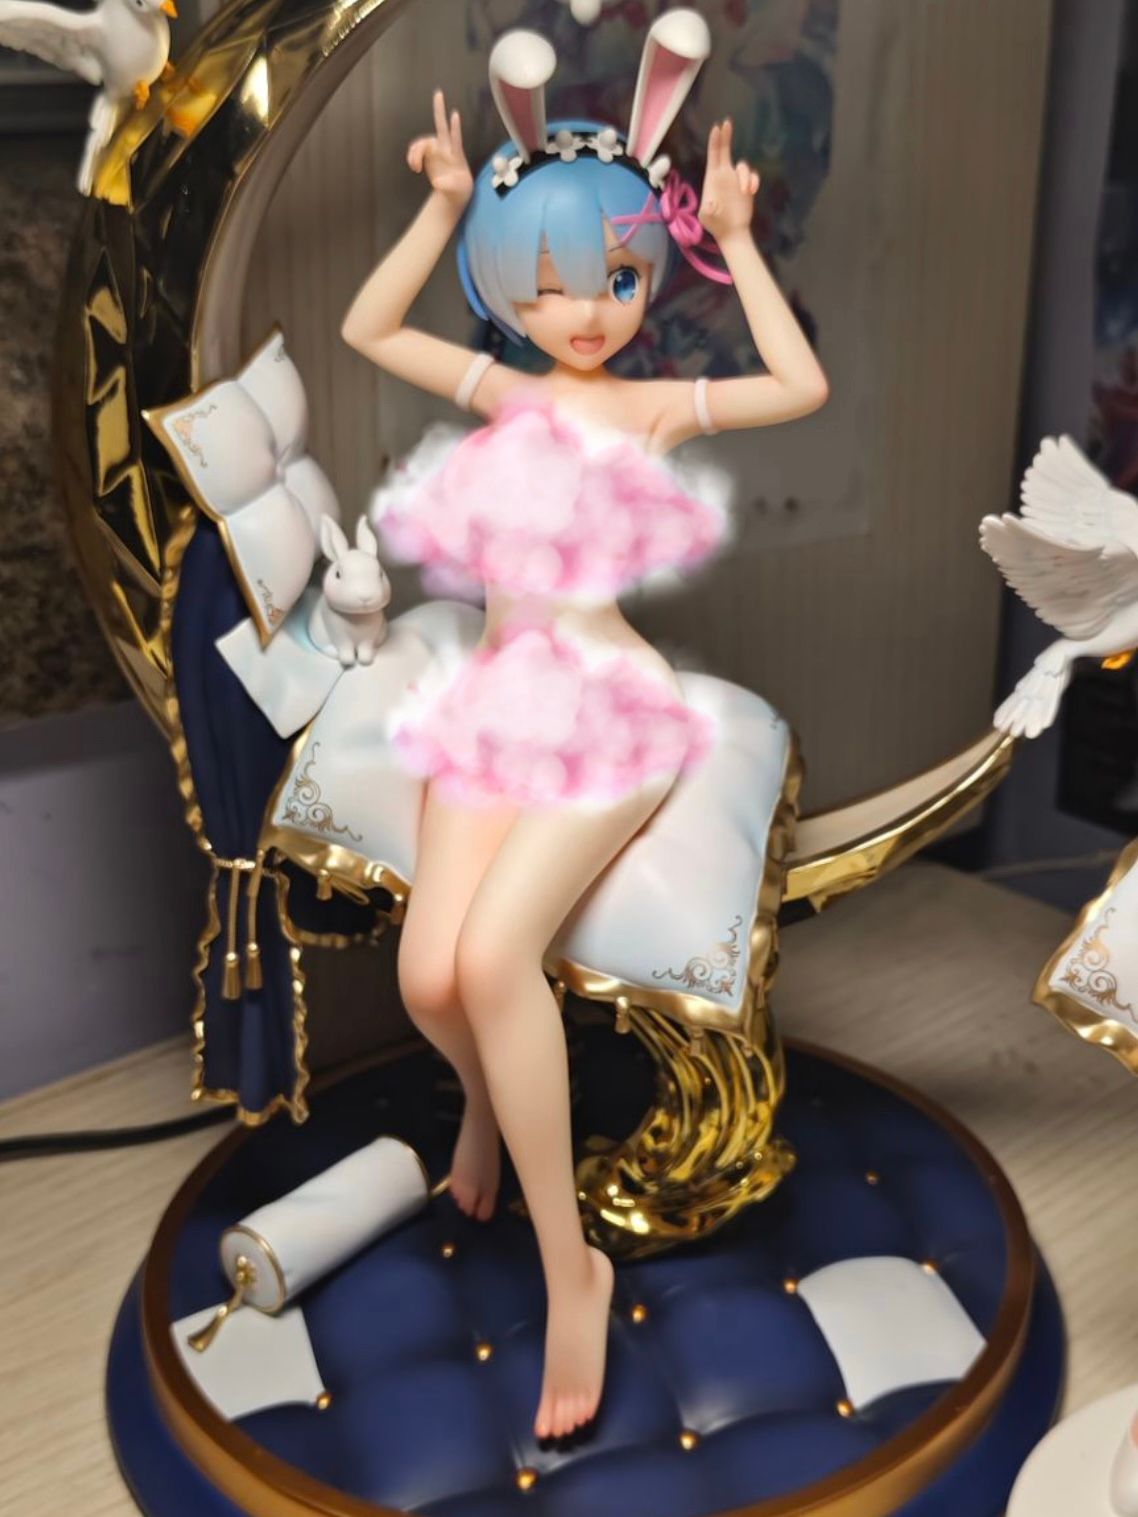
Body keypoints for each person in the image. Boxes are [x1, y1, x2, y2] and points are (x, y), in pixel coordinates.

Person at [341, 10, 828, 1443]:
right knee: (430, 978)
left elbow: (799, 385)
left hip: (608, 702)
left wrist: (734, 242)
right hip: (498, 700)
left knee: (496, 957)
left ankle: (573, 1270)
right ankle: (486, 1109)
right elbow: (370, 328)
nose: (591, 311)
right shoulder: (503, 390)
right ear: (509, 289)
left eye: (615, 275)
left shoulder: (650, 410)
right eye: (553, 286)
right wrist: (442, 206)